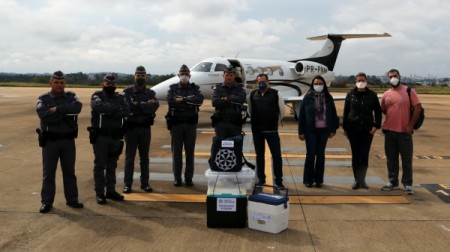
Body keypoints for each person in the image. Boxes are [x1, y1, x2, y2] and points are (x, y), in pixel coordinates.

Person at [36, 70, 84, 213]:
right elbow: (43, 115)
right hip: (50, 142)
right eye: (56, 82)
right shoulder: (44, 99)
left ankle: (72, 199)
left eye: (61, 82)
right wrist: (64, 114)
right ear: (50, 83)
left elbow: (77, 108)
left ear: (65, 83)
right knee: (48, 173)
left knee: (69, 172)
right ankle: (46, 202)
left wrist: (56, 109)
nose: (59, 85)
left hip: (68, 141)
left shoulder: (72, 97)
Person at [89, 73, 130, 204]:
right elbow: (98, 107)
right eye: (108, 84)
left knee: (112, 165)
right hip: (101, 137)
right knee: (100, 165)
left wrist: (108, 111)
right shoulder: (97, 96)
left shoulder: (120, 97)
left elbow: (126, 111)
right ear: (103, 84)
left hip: (116, 137)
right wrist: (115, 109)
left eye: (112, 84)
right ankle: (100, 193)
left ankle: (110, 191)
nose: (110, 86)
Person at [380, 69, 422, 195]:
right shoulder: (386, 94)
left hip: (405, 132)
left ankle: (408, 184)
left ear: (400, 76)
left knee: (406, 160)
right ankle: (393, 182)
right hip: (389, 131)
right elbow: (384, 109)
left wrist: (411, 125)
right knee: (391, 159)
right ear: (388, 79)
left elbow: (418, 108)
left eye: (395, 76)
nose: (393, 78)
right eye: (391, 77)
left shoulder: (409, 91)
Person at [122, 66, 159, 193]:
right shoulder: (127, 92)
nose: (140, 77)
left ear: (146, 77)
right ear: (134, 76)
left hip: (145, 129)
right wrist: (145, 105)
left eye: (142, 75)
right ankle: (127, 184)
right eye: (138, 75)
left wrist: (139, 105)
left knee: (144, 158)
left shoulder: (151, 93)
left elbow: (154, 107)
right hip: (131, 129)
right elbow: (127, 107)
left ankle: (145, 183)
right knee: (129, 158)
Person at [298, 75, 339, 188]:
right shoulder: (308, 97)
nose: (318, 85)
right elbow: (302, 115)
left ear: (324, 85)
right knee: (310, 155)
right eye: (316, 83)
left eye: (320, 83)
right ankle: (308, 180)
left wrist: (333, 129)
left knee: (321, 155)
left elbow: (334, 114)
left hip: (324, 131)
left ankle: (319, 180)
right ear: (312, 85)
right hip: (310, 130)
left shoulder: (328, 97)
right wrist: (301, 131)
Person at [343, 72, 382, 190]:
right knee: (355, 155)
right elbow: (346, 112)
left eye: (363, 80)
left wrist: (376, 126)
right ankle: (356, 180)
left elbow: (378, 112)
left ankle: (362, 180)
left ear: (367, 82)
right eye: (358, 80)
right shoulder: (350, 95)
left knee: (364, 155)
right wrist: (346, 128)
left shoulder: (372, 95)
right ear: (355, 82)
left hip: (367, 130)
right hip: (353, 130)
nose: (361, 83)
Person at [167, 64, 204, 187]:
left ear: (190, 75)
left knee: (190, 152)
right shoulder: (172, 89)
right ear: (178, 75)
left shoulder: (195, 88)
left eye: (186, 74)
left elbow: (199, 100)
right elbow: (171, 102)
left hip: (190, 125)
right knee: (176, 153)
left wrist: (182, 100)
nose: (184, 76)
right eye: (182, 74)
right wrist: (189, 102)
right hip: (176, 125)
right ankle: (177, 178)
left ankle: (189, 178)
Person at [248, 73, 285, 188]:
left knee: (277, 156)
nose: (261, 84)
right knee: (259, 155)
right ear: (256, 83)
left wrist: (275, 122)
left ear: (268, 82)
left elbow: (282, 112)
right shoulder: (252, 94)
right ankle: (261, 179)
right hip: (257, 131)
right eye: (259, 82)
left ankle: (278, 180)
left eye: (263, 81)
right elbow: (250, 110)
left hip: (272, 131)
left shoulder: (276, 94)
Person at [211, 65, 247, 138]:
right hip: (221, 123)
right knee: (220, 146)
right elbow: (215, 102)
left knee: (236, 145)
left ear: (234, 76)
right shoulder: (218, 88)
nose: (229, 77)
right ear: (223, 76)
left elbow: (241, 100)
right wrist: (233, 100)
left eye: (231, 75)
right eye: (227, 75)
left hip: (235, 123)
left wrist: (226, 98)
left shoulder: (240, 88)